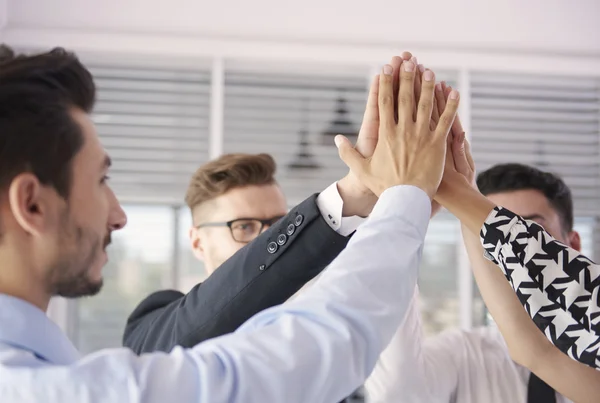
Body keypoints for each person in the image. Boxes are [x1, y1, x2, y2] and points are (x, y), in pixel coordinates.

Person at [0, 47, 460, 402]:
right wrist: (403, 199)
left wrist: (372, 198)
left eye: (279, 224)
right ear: (32, 205)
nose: (119, 216)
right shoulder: (74, 375)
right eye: (100, 180)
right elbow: (319, 341)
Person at [365, 162, 578, 403]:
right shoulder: (463, 354)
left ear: (574, 247)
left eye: (533, 235)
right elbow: (397, 393)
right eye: (491, 240)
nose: (512, 255)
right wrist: (401, 211)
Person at [122, 151, 370, 353]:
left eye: (277, 225)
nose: (264, 239)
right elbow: (191, 328)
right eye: (244, 227)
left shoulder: (314, 328)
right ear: (198, 243)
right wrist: (351, 195)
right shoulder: (156, 324)